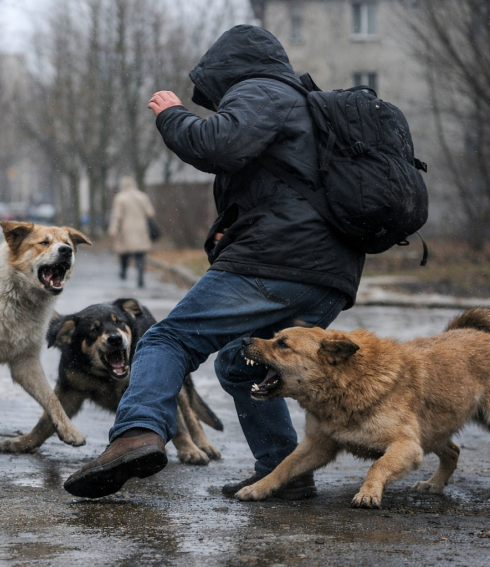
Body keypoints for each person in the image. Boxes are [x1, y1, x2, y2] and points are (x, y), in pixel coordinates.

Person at [63, 24, 365, 499]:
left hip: (277, 262)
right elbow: (277, 189)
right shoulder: (305, 109)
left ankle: (136, 434)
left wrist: (172, 115)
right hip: (329, 276)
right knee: (241, 363)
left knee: (166, 338)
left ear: (229, 68)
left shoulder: (263, 90)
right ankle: (285, 473)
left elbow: (218, 143)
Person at [109, 176, 156, 288]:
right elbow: (150, 212)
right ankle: (140, 274)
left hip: (126, 229)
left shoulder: (120, 198)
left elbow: (117, 216)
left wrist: (113, 229)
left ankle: (123, 271)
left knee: (124, 253)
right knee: (140, 254)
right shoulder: (142, 196)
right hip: (141, 228)